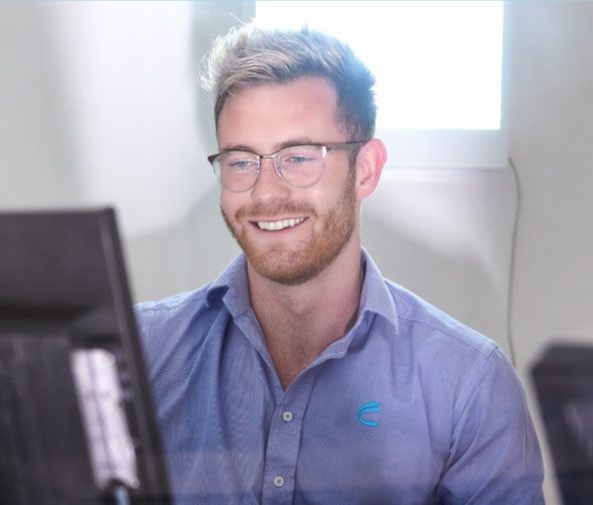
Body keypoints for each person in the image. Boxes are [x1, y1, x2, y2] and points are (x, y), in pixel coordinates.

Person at [134, 25, 545, 504]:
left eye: (300, 157)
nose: (266, 192)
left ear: (366, 170)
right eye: (241, 161)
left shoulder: (468, 386)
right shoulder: (140, 356)